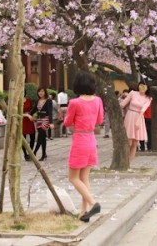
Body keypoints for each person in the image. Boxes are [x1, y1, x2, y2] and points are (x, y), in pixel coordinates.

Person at [63, 71, 103, 222]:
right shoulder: (98, 100)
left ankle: (93, 204)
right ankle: (84, 212)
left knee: (73, 177)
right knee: (84, 177)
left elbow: (67, 122)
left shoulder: (75, 102)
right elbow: (99, 120)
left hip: (80, 139)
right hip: (91, 138)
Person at [119, 80, 152, 169]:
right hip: (130, 116)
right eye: (141, 85)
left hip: (139, 117)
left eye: (144, 86)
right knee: (128, 141)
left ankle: (129, 163)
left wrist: (138, 120)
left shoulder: (148, 98)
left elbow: (143, 110)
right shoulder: (133, 93)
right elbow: (123, 104)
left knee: (135, 142)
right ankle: (124, 161)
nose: (142, 88)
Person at [28, 87, 54, 161]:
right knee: (42, 138)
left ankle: (34, 153)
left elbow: (50, 112)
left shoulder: (48, 101)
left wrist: (51, 122)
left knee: (40, 137)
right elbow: (33, 110)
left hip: (45, 120)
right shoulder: (38, 101)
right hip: (38, 120)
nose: (41, 93)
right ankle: (44, 154)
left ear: (45, 92)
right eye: (39, 91)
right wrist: (28, 115)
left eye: (42, 91)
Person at [22, 91, 36, 161]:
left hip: (29, 120)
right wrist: (26, 115)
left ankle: (30, 152)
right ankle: (25, 154)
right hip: (22, 120)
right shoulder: (17, 101)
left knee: (33, 136)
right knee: (23, 139)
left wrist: (33, 115)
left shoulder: (28, 100)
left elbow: (32, 110)